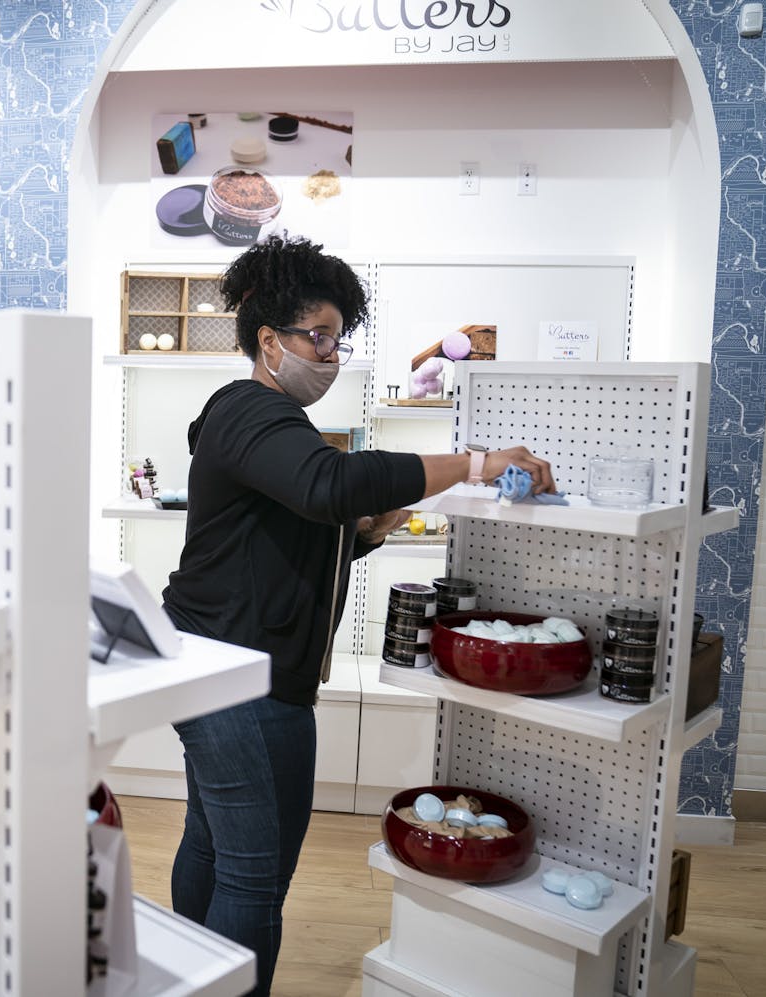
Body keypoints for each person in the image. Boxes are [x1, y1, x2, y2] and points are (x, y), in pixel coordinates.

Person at [160, 233, 555, 996]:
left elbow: (292, 531)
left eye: (340, 338)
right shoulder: (250, 409)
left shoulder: (259, 422)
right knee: (253, 872)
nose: (332, 353)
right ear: (268, 341)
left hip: (218, 664)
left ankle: (187, 979)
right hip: (242, 682)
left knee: (211, 843)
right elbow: (329, 485)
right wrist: (476, 462)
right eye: (320, 336)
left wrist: (363, 534)